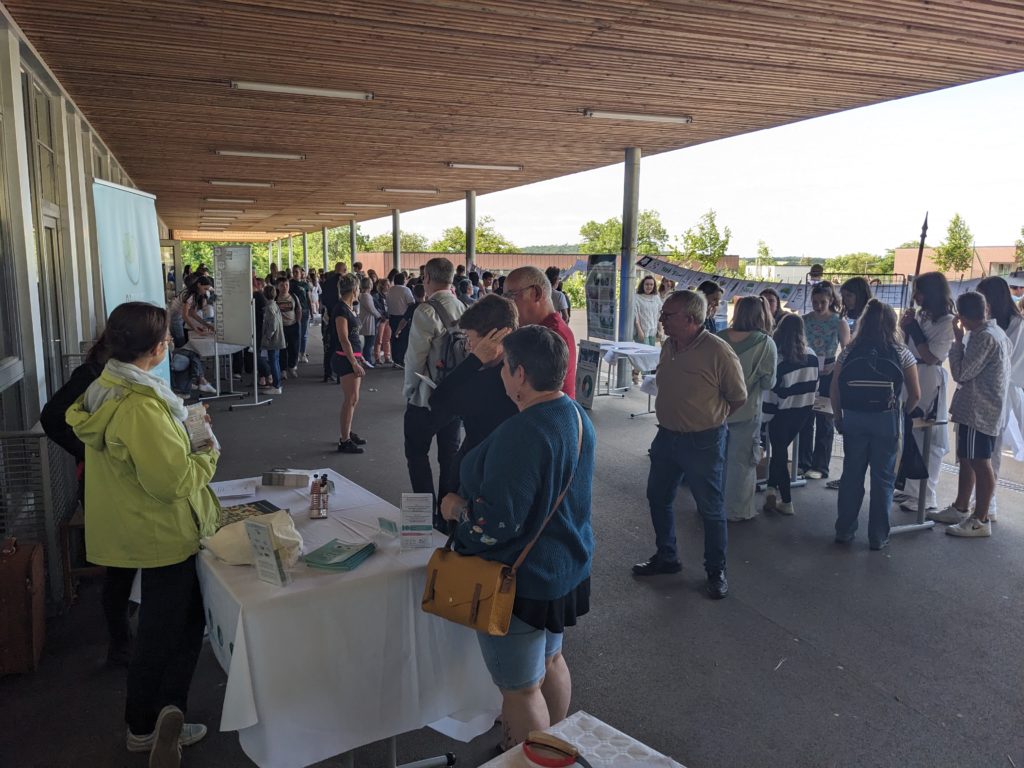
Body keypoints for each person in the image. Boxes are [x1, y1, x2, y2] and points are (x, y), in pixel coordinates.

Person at [65, 302, 219, 767]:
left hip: (135, 525)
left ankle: (151, 718)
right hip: (161, 531)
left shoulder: (106, 388)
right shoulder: (141, 408)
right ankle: (151, 721)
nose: (171, 343)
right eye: (168, 338)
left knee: (161, 626)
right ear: (155, 348)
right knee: (171, 630)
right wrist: (206, 450)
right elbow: (171, 482)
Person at [439, 325, 595, 750]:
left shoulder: (523, 432)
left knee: (521, 688)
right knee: (552, 659)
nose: (501, 374)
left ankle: (527, 758)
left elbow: (495, 524)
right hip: (563, 566)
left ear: (520, 373)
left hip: (520, 578)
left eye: (503, 366)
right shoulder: (574, 414)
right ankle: (552, 749)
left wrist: (455, 511)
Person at [633, 290, 746, 599]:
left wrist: (709, 420)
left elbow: (738, 397)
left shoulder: (718, 351)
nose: (661, 319)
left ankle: (715, 570)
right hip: (666, 436)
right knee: (658, 497)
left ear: (691, 319)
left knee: (710, 508)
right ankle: (667, 557)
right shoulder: (669, 345)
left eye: (668, 315)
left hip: (703, 440)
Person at [41, 333, 136, 667]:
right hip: (99, 482)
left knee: (127, 562)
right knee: (119, 566)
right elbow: (52, 418)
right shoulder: (92, 376)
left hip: (120, 481)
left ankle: (127, 632)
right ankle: (120, 643)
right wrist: (90, 451)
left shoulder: (119, 375)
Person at [832, 299, 920, 550]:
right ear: (892, 323)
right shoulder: (901, 352)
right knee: (883, 480)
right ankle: (878, 536)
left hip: (854, 417)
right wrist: (901, 414)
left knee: (851, 475)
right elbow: (915, 394)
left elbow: (836, 387)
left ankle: (845, 531)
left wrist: (839, 416)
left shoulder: (850, 350)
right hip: (886, 419)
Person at [927, 292, 1011, 538]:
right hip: (977, 408)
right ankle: (961, 507)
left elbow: (962, 373)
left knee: (980, 462)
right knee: (967, 458)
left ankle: (980, 519)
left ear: (961, 317)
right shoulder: (996, 333)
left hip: (979, 410)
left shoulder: (983, 337)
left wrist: (957, 342)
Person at [403, 257, 466, 525]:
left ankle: (424, 515)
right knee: (449, 456)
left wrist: (409, 390)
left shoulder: (426, 311)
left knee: (417, 454)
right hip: (455, 398)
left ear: (427, 278)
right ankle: (445, 513)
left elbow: (415, 358)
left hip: (426, 398)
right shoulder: (463, 307)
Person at [430, 295, 519, 479]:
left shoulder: (491, 380)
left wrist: (474, 360)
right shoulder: (515, 365)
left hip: (485, 473)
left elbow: (438, 400)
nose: (468, 347)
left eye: (470, 339)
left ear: (492, 338)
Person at [895, 272, 955, 515]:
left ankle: (926, 495)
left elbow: (932, 356)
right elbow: (905, 344)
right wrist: (905, 328)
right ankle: (911, 489)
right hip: (911, 373)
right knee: (909, 433)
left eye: (919, 291)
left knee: (927, 437)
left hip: (929, 377)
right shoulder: (921, 315)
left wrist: (915, 331)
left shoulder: (947, 322)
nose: (915, 296)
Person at [717, 296, 777, 522]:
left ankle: (711, 507)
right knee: (742, 462)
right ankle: (737, 511)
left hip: (717, 410)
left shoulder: (718, 338)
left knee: (716, 461)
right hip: (747, 410)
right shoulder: (765, 343)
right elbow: (769, 382)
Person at [973, 277, 1024, 520]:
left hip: (1001, 391)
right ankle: (980, 502)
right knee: (981, 450)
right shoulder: (991, 324)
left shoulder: (1016, 324)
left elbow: (1007, 360)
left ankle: (987, 506)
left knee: (990, 450)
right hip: (986, 389)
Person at [763, 315, 819, 515]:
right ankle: (770, 489)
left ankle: (786, 501)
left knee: (778, 454)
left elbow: (770, 394)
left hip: (781, 414)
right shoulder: (812, 356)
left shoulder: (778, 360)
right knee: (780, 452)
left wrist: (764, 419)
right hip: (803, 412)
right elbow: (816, 386)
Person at [799, 282, 851, 479]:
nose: (818, 306)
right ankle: (802, 461)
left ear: (831, 301)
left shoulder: (839, 322)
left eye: (822, 302)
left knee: (825, 419)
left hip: (829, 370)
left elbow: (847, 349)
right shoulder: (804, 320)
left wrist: (835, 366)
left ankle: (820, 466)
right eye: (814, 302)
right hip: (808, 368)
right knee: (805, 417)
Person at [504, 266, 576, 398]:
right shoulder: (540, 330)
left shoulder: (551, 336)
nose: (508, 305)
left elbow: (524, 391)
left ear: (536, 293)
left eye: (511, 296)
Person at [331, 274, 367, 453]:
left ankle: (347, 431)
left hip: (352, 357)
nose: (359, 291)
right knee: (350, 399)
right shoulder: (341, 310)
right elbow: (344, 339)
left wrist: (358, 358)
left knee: (354, 399)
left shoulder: (348, 308)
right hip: (344, 359)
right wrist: (353, 361)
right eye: (359, 289)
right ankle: (344, 440)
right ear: (354, 290)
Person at [632, 275, 662, 384]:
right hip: (642, 330)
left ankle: (635, 373)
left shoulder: (656, 297)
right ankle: (646, 379)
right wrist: (639, 330)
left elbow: (659, 315)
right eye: (646, 284)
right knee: (644, 355)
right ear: (642, 285)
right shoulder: (637, 297)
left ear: (654, 286)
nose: (649, 286)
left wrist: (660, 329)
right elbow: (636, 316)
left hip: (652, 330)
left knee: (648, 355)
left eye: (651, 284)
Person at [274, 277, 302, 378]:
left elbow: (299, 309)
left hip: (293, 326)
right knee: (282, 349)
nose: (284, 287)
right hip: (281, 327)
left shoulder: (293, 297)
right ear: (277, 287)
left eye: (286, 285)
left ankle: (292, 366)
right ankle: (283, 370)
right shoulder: (275, 298)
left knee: (294, 348)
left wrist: (297, 322)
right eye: (282, 285)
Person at [386, 272, 415, 366]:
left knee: (394, 339)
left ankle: (395, 359)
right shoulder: (406, 290)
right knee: (403, 339)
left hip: (392, 317)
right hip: (403, 318)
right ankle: (402, 360)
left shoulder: (390, 290)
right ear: (404, 280)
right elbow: (412, 303)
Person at [261, 284, 285, 394]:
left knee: (273, 362)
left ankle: (276, 386)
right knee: (276, 361)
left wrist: (267, 336)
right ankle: (277, 383)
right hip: (278, 338)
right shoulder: (274, 305)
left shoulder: (269, 308)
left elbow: (273, 325)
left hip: (273, 340)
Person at [357, 276, 381, 366]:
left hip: (366, 319)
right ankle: (367, 361)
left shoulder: (363, 295)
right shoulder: (366, 296)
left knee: (368, 342)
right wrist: (380, 315)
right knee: (369, 343)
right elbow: (372, 309)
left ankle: (367, 360)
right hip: (369, 321)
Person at [290, 266, 311, 363]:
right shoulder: (289, 284)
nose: (295, 274)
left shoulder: (305, 284)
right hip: (293, 311)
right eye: (293, 272)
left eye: (297, 272)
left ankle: (303, 353)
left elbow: (308, 298)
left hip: (305, 310)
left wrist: (311, 310)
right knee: (295, 334)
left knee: (304, 334)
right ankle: (296, 353)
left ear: (300, 273)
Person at [372, 278, 393, 365]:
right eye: (386, 285)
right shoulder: (376, 296)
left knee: (387, 339)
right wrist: (382, 315)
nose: (388, 286)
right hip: (381, 320)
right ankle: (377, 358)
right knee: (379, 339)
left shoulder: (390, 295)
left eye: (389, 284)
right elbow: (376, 307)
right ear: (382, 286)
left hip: (388, 319)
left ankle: (387, 357)